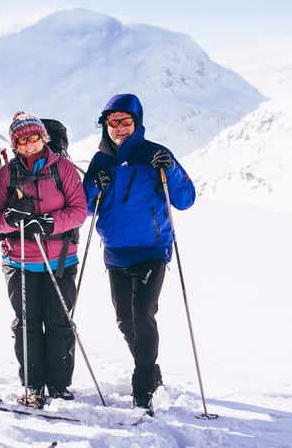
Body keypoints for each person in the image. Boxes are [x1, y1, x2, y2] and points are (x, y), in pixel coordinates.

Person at [82, 93, 196, 415]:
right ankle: (153, 371)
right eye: (112, 122)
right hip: (116, 251)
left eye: (125, 122)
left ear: (137, 122)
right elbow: (86, 208)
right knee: (125, 321)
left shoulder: (155, 154)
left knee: (143, 313)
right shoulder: (101, 160)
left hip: (151, 250)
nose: (118, 128)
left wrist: (170, 169)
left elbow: (186, 199)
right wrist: (93, 186)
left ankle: (143, 386)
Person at [0, 112, 87, 408]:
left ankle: (59, 386)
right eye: (23, 140)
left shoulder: (64, 169)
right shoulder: (7, 175)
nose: (30, 144)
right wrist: (12, 218)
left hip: (59, 260)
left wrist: (48, 223)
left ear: (44, 138)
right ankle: (32, 386)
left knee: (59, 323)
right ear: (15, 143)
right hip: (20, 261)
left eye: (34, 138)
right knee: (26, 325)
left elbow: (79, 211)